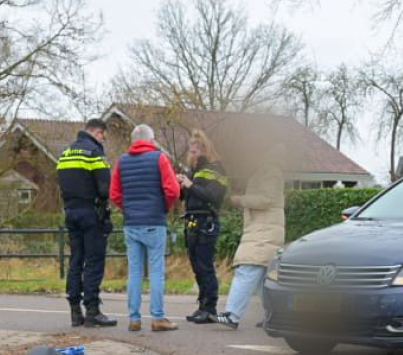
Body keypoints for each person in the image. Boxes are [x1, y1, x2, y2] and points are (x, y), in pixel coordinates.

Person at [109, 123, 181, 332]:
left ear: (133, 141)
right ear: (151, 140)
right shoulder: (159, 158)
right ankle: (158, 317)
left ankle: (134, 318)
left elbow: (114, 194)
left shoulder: (122, 162)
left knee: (134, 272)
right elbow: (173, 190)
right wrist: (163, 207)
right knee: (156, 271)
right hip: (154, 222)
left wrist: (128, 208)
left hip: (131, 223)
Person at [218, 143, 286, 329]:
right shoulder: (266, 170)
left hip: (263, 231)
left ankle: (232, 315)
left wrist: (239, 200)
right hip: (264, 230)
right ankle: (274, 317)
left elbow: (265, 199)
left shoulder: (269, 171)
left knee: (247, 270)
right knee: (264, 279)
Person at [57, 118, 116, 327]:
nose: (103, 139)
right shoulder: (94, 152)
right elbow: (104, 188)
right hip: (91, 213)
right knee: (93, 261)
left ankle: (75, 311)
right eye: (103, 136)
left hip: (70, 211)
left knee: (75, 260)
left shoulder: (65, 154)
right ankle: (92, 310)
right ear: (98, 132)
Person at [179, 130, 230, 323]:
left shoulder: (216, 169)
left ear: (204, 149)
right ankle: (202, 304)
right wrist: (181, 186)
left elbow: (213, 196)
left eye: (195, 150)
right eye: (191, 150)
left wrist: (190, 185)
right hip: (192, 221)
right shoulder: (194, 170)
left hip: (206, 222)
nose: (192, 153)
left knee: (205, 266)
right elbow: (187, 197)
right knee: (196, 266)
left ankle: (210, 308)